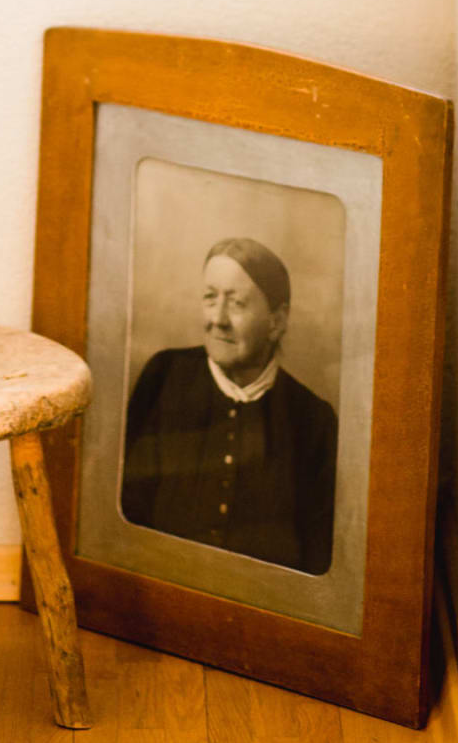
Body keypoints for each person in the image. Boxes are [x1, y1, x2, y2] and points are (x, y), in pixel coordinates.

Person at [120, 236, 337, 574]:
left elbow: (317, 557)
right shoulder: (165, 376)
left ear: (277, 321)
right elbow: (126, 516)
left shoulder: (314, 420)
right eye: (210, 298)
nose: (218, 319)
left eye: (236, 303)